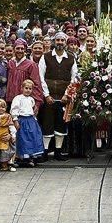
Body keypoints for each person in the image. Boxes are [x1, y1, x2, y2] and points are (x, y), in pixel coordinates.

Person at [39, 32, 78, 160]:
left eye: (62, 40)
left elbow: (74, 78)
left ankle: (58, 151)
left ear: (65, 42)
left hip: (64, 98)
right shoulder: (45, 57)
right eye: (58, 40)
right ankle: (45, 152)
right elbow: (41, 77)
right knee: (47, 123)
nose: (60, 42)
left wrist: (67, 95)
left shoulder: (71, 58)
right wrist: (46, 95)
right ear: (53, 42)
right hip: (49, 97)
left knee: (61, 124)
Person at [11, 79, 44, 167]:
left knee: (33, 137)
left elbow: (32, 109)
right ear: (22, 88)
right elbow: (14, 110)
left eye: (30, 89)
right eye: (26, 88)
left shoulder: (31, 99)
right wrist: (15, 120)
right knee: (22, 138)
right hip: (22, 120)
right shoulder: (18, 98)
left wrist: (34, 120)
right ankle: (20, 158)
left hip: (31, 120)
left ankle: (31, 157)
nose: (28, 90)